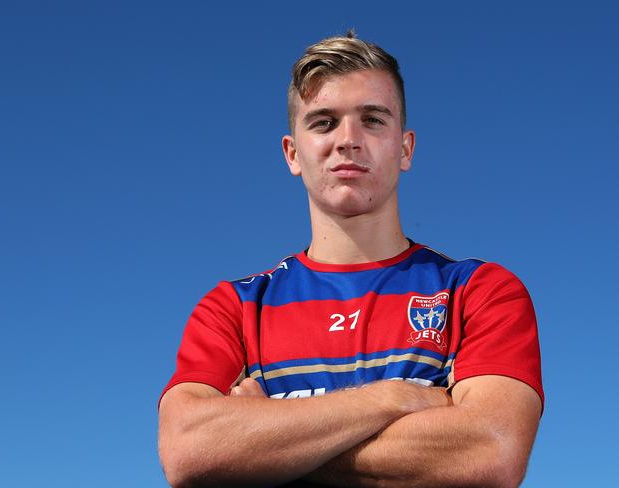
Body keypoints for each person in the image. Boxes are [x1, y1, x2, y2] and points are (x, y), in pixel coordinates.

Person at [158, 31, 543, 488]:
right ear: (292, 153)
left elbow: (490, 451)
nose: (348, 140)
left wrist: (264, 435)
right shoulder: (234, 308)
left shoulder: (479, 291)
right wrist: (392, 399)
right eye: (323, 122)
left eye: (373, 120)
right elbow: (190, 451)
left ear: (405, 148)